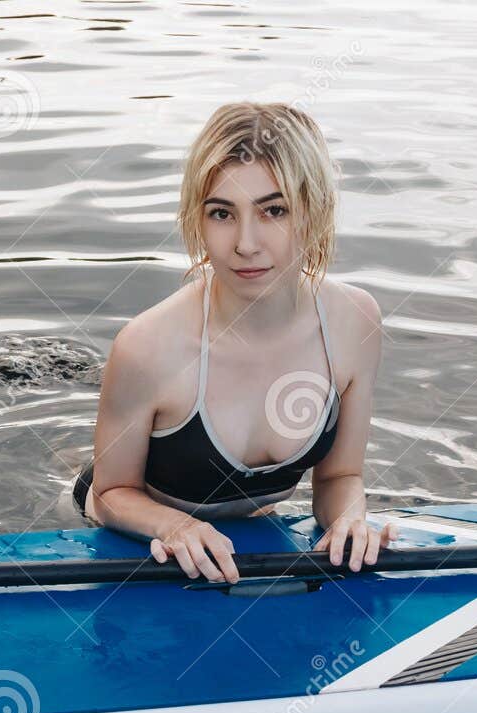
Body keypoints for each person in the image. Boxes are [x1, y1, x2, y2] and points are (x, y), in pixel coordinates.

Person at [72, 100, 395, 583]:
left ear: (313, 211)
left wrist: (350, 518)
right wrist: (176, 526)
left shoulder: (353, 321)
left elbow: (338, 478)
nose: (246, 243)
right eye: (222, 213)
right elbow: (110, 490)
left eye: (274, 210)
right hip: (125, 530)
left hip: (244, 537)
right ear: (197, 220)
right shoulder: (147, 347)